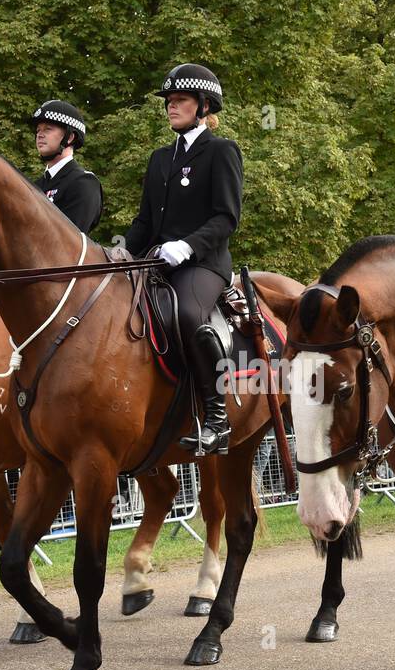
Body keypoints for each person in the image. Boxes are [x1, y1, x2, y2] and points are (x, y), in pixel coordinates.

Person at [117, 63, 243, 454]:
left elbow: (226, 217)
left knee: (188, 314)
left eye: (180, 100)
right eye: (169, 101)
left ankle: (217, 418)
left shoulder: (221, 151)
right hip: (156, 263)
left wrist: (186, 246)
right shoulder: (159, 159)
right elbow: (144, 222)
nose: (171, 107)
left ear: (203, 106)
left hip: (203, 265)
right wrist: (118, 254)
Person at [28, 99, 103, 235]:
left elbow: (69, 240)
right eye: (38, 130)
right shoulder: (35, 185)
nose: (39, 134)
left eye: (48, 129)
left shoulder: (84, 183)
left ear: (69, 138)